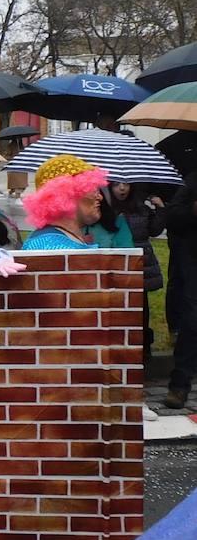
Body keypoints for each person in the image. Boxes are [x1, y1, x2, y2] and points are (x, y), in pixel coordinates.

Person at [113, 182, 166, 356]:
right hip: (119, 261)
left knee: (141, 306)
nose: (122, 188)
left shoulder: (141, 209)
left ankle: (144, 348)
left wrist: (160, 209)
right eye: (117, 185)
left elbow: (154, 230)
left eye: (126, 185)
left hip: (141, 261)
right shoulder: (107, 209)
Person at [20, 155, 106, 251]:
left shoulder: (58, 240)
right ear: (68, 193)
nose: (100, 197)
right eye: (94, 190)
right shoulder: (49, 246)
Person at [166, 172, 197, 409]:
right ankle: (179, 384)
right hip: (193, 256)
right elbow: (173, 216)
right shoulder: (192, 181)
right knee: (192, 318)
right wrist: (193, 210)